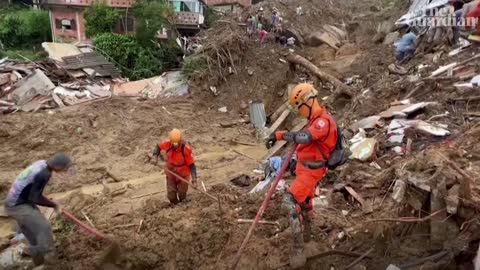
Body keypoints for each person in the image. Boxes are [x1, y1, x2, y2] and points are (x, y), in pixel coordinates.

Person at [266, 83, 338, 268]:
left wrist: (281, 135)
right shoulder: (313, 121)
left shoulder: (323, 121)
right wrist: (279, 135)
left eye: (299, 107)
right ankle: (308, 238)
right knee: (305, 204)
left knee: (289, 204)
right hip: (304, 169)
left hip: (311, 171)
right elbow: (303, 136)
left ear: (308, 101)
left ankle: (299, 249)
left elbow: (305, 138)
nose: (299, 111)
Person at [5, 153, 72, 266]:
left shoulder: (41, 163)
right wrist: (54, 205)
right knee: (44, 228)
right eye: (64, 168)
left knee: (34, 236)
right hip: (19, 206)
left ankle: (38, 261)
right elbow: (35, 198)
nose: (65, 170)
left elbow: (33, 192)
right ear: (58, 167)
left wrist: (50, 202)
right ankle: (50, 263)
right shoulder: (44, 174)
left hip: (15, 203)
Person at [153, 128, 198, 204]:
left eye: (176, 143)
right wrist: (155, 157)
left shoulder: (186, 149)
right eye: (173, 143)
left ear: (180, 140)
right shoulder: (167, 143)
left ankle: (182, 203)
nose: (174, 145)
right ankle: (174, 204)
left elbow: (192, 165)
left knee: (182, 194)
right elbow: (158, 146)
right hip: (171, 171)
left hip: (183, 173)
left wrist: (194, 180)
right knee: (171, 195)